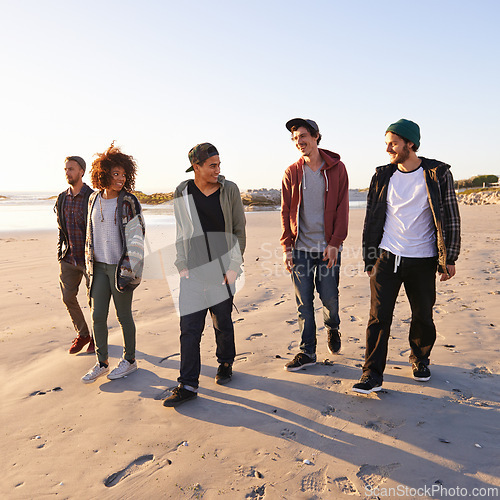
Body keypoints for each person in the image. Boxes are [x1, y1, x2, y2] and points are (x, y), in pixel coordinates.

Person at [352, 119, 461, 394]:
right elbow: (371, 219)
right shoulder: (382, 176)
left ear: (410, 144)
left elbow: (450, 217)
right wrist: (369, 257)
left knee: (422, 314)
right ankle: (371, 374)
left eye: (393, 143)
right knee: (378, 318)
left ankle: (420, 359)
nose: (388, 148)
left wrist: (450, 258)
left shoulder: (437, 174)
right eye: (387, 142)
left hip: (423, 259)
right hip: (387, 256)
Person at [163, 143, 246, 407]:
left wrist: (234, 266)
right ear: (196, 167)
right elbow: (181, 231)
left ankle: (225, 362)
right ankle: (187, 384)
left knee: (222, 321)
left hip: (222, 270)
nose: (218, 170)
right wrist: (181, 262)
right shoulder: (182, 191)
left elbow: (238, 230)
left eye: (219, 164)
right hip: (193, 272)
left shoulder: (229, 189)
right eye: (212, 165)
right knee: (189, 329)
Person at [281, 118, 349, 371]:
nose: (299, 142)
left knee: (329, 297)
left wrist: (335, 243)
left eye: (303, 136)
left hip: (328, 249)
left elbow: (343, 208)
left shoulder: (337, 169)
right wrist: (287, 247)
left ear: (316, 136)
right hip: (300, 249)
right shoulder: (292, 172)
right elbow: (286, 211)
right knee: (304, 302)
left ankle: (332, 327)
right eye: (295, 138)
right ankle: (307, 350)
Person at [81, 144, 145, 383]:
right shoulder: (93, 199)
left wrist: (132, 270)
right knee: (97, 315)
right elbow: (90, 235)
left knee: (123, 315)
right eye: (115, 174)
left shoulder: (129, 201)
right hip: (97, 267)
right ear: (103, 174)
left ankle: (129, 360)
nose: (120, 178)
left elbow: (138, 237)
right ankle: (102, 362)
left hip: (121, 268)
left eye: (123, 174)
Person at [55, 156, 95, 354]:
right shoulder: (62, 198)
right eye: (65, 169)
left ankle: (97, 337)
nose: (67, 173)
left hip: (89, 259)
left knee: (94, 300)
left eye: (71, 169)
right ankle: (83, 333)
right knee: (68, 297)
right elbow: (61, 228)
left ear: (82, 172)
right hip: (68, 258)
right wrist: (60, 251)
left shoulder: (93, 197)